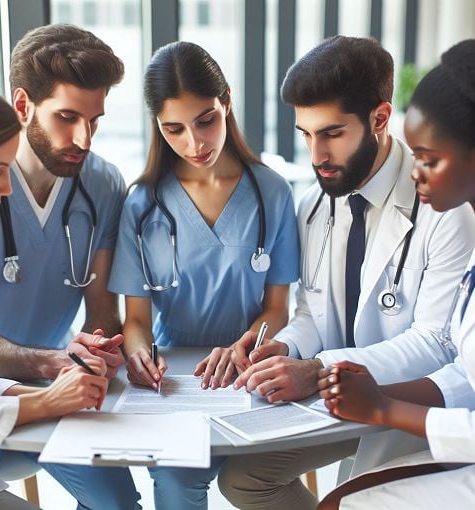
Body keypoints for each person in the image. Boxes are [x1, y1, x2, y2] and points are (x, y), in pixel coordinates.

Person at [218, 35, 475, 510]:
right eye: (306, 134)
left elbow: (437, 343)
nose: (316, 155)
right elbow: (313, 312)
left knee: (344, 498)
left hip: (410, 400)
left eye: (332, 133)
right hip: (340, 394)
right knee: (243, 479)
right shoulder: (314, 204)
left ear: (379, 119)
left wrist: (318, 370)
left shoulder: (447, 206)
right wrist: (285, 346)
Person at [108, 41, 299, 510]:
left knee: (253, 479)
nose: (194, 143)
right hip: (173, 381)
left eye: (205, 120)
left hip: (247, 374)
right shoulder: (142, 204)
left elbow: (278, 308)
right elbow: (135, 319)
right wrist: (138, 355)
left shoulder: (271, 193)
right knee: (173, 486)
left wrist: (246, 346)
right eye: (173, 128)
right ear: (157, 126)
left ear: (226, 102)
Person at [0, 25, 141, 510]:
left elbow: (103, 308)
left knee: (121, 507)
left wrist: (94, 349)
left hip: (59, 385)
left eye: (95, 119)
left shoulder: (103, 185)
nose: (83, 137)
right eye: (67, 117)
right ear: (23, 106)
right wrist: (46, 363)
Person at [317, 38, 475, 510]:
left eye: (429, 160)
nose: (415, 173)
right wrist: (370, 388)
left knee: (350, 503)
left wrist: (384, 408)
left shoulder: (454, 226)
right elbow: (468, 375)